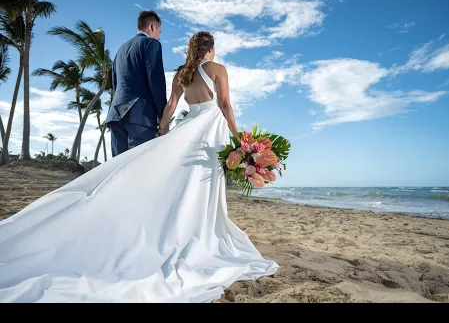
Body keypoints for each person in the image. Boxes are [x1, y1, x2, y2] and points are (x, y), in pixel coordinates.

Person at [0, 31, 279, 303]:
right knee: (203, 184)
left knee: (186, 184)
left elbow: (171, 104)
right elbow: (226, 105)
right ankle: (198, 231)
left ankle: (186, 228)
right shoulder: (217, 68)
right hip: (210, 131)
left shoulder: (183, 73)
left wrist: (163, 128)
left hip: (188, 130)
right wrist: (241, 139)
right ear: (211, 48)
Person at [106, 10, 167, 157]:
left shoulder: (120, 50)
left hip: (115, 115)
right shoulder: (151, 44)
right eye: (159, 31)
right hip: (140, 116)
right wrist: (164, 117)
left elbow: (115, 84)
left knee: (118, 169)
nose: (159, 36)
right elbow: (156, 82)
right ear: (153, 26)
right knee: (140, 167)